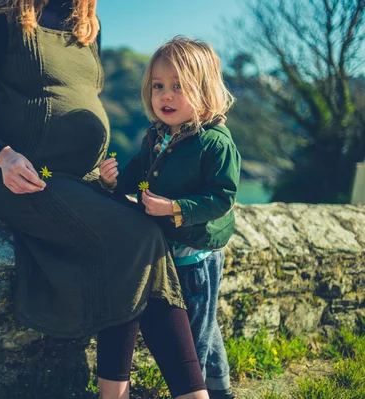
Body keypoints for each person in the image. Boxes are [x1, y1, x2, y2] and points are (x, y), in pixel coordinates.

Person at [0, 2, 208, 398]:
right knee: (135, 237)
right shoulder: (3, 16)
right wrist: (4, 156)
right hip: (24, 178)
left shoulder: (87, 24)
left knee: (144, 236)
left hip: (79, 180)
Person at [99, 36, 241, 399]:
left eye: (179, 87)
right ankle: (219, 387)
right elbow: (138, 176)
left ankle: (211, 390)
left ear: (205, 90)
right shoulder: (158, 136)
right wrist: (113, 182)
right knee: (204, 328)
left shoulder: (215, 143)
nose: (166, 96)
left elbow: (221, 198)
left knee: (195, 336)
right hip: (170, 251)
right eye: (159, 86)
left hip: (195, 257)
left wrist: (175, 209)